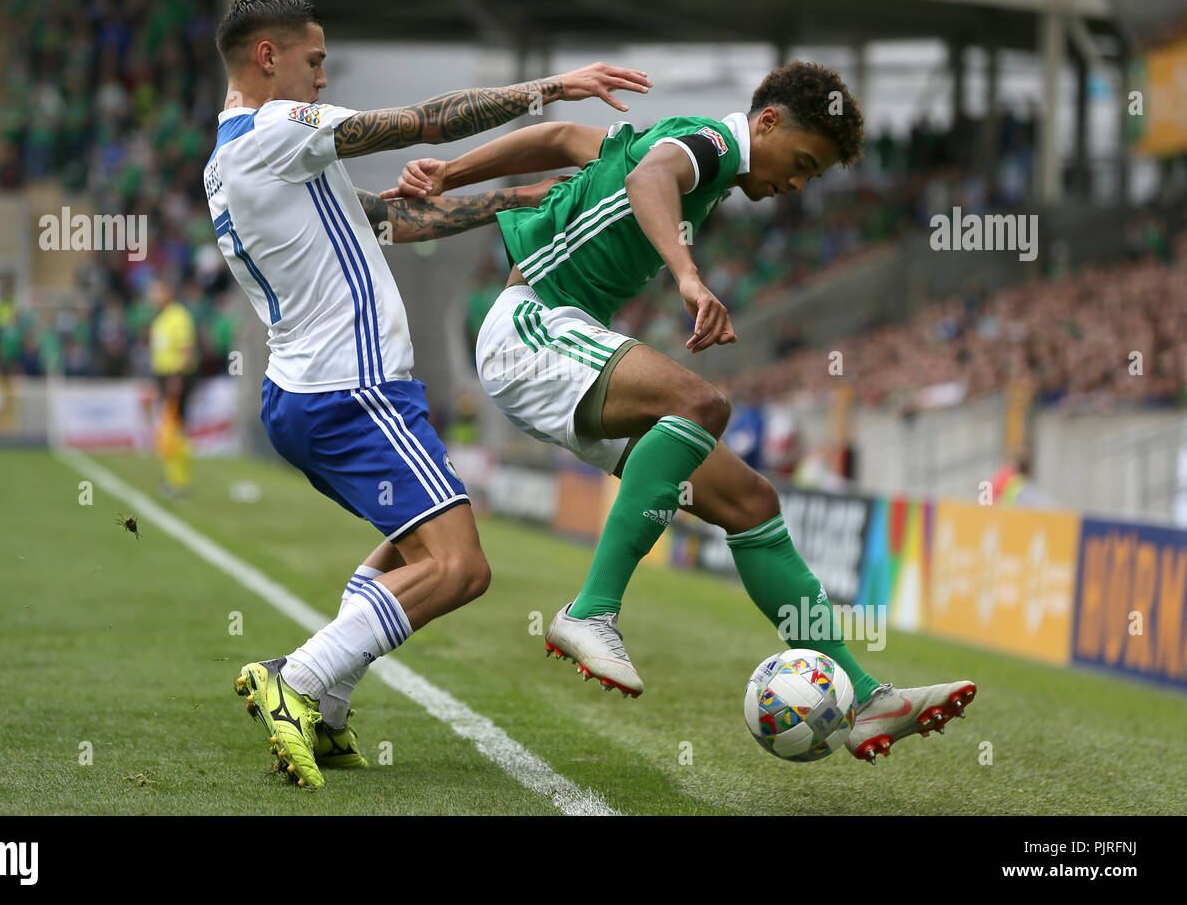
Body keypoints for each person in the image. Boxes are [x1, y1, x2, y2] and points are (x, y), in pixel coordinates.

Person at [386, 61, 976, 763]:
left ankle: (864, 695)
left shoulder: (682, 148)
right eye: (803, 163)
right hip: (530, 328)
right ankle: (591, 610)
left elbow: (564, 136)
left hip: (551, 344)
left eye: (814, 179)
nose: (797, 185)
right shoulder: (708, 145)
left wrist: (452, 172)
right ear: (768, 124)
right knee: (699, 401)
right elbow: (647, 181)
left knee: (752, 501)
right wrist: (689, 277)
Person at [206, 0, 651, 787]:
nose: (322, 78)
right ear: (266, 58)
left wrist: (524, 198)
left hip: (313, 394)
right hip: (352, 389)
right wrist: (553, 88)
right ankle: (299, 680)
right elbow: (426, 122)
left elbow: (390, 220)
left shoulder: (237, 157)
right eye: (314, 62)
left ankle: (330, 707)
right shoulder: (276, 130)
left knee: (414, 551)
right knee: (461, 569)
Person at [148, 277, 197, 497]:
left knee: (174, 430)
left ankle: (180, 481)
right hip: (163, 378)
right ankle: (173, 479)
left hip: (175, 378)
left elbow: (185, 349)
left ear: (168, 292)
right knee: (169, 429)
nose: (153, 296)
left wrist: (176, 379)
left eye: (157, 291)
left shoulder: (178, 317)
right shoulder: (161, 318)